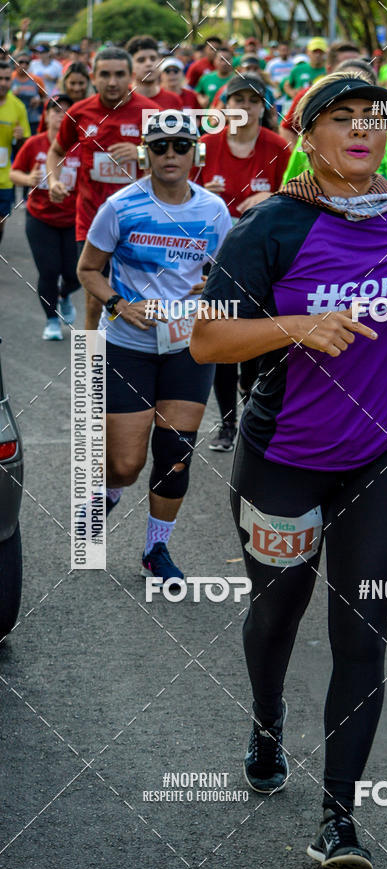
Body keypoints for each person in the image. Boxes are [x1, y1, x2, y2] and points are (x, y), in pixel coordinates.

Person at [189, 72, 387, 869]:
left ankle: (339, 822)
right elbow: (205, 343)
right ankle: (266, 724)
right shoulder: (268, 228)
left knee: (364, 636)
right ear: (308, 135)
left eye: (375, 119)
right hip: (285, 460)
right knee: (278, 614)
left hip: (385, 453)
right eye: (343, 119)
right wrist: (297, 325)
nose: (364, 131)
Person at [77, 111, 231, 579]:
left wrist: (212, 286)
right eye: (160, 146)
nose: (170, 155)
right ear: (146, 152)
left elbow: (223, 275)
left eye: (180, 146)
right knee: (124, 464)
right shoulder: (121, 206)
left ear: (195, 154)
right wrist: (120, 304)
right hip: (128, 347)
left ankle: (155, 551)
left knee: (175, 454)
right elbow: (88, 270)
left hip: (187, 347)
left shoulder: (214, 211)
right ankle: (107, 495)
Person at [197, 73, 291, 452]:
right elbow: (177, 195)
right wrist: (203, 194)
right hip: (214, 256)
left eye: (253, 101)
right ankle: (226, 424)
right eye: (238, 100)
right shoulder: (205, 145)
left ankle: (251, 404)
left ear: (263, 107)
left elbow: (299, 194)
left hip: (263, 259)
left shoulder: (277, 147)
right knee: (221, 339)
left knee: (255, 343)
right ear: (225, 106)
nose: (245, 108)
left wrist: (271, 198)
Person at [46, 47, 160, 329]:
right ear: (93, 77)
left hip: (141, 222)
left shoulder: (152, 113)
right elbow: (56, 151)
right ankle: (87, 371)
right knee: (94, 300)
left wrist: (142, 154)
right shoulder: (79, 112)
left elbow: (178, 165)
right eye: (105, 75)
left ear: (131, 76)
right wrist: (54, 181)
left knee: (142, 297)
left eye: (120, 75)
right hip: (92, 219)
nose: (112, 82)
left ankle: (132, 364)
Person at [281, 59, 387, 221]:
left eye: (371, 119)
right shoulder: (274, 223)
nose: (360, 130)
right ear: (307, 141)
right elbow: (286, 191)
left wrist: (384, 204)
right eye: (342, 118)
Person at [10, 94, 79, 340]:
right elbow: (14, 172)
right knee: (49, 271)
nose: (61, 115)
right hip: (40, 218)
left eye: (67, 111)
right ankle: (51, 320)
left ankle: (64, 295)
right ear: (47, 115)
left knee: (75, 274)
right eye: (56, 110)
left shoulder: (82, 144)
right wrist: (28, 179)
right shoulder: (34, 144)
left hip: (74, 219)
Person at [279, 41, 360, 150]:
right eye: (346, 64)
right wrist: (299, 157)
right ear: (329, 69)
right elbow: (287, 129)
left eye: (358, 63)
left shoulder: (370, 96)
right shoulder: (309, 94)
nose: (355, 70)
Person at [0, 60, 29, 244]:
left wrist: (20, 139)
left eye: (6, 79)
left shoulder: (18, 106)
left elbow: (24, 148)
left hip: (4, 178)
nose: (3, 83)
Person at [125, 35, 183, 110]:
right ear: (130, 65)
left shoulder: (174, 100)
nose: (149, 63)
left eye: (153, 59)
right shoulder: (121, 98)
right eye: (141, 60)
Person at [11, 52, 45, 133]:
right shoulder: (9, 78)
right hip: (13, 119)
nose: (24, 65)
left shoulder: (36, 80)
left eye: (27, 63)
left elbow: (46, 98)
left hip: (32, 120)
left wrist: (39, 101)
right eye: (21, 62)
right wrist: (12, 95)